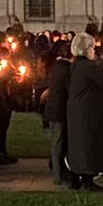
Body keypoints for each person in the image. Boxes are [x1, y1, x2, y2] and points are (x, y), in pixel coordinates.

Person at [63, 32, 103, 190]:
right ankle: (87, 179)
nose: (94, 51)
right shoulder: (87, 66)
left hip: (77, 109)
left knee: (77, 143)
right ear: (87, 49)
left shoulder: (76, 65)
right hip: (87, 110)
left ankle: (75, 177)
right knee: (87, 143)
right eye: (93, 47)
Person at [42, 40, 73, 187]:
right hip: (59, 111)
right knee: (58, 143)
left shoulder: (57, 67)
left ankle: (59, 170)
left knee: (59, 142)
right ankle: (58, 174)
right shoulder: (66, 69)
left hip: (54, 110)